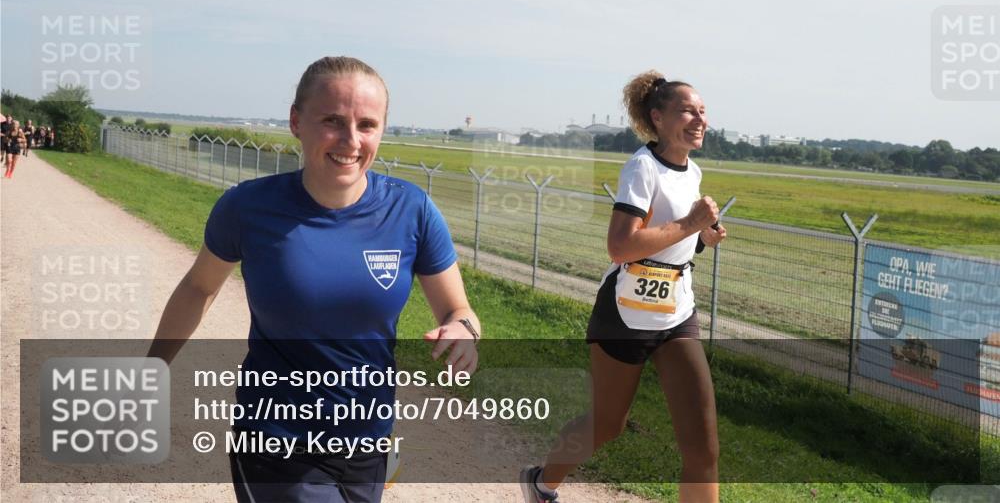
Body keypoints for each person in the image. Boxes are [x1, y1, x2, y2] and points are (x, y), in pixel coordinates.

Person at [149, 56, 480, 503]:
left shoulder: (412, 211)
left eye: (367, 125)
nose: (351, 140)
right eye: (332, 121)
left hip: (369, 441)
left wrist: (464, 333)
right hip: (276, 442)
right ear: (296, 122)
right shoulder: (248, 208)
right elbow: (198, 288)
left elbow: (458, 310)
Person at [520, 73, 725, 503]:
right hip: (625, 313)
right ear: (658, 117)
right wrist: (690, 222)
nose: (699, 119)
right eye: (687, 111)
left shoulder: (693, 171)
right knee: (608, 423)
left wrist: (700, 238)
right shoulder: (642, 167)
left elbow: (671, 239)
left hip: (676, 312)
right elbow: (620, 246)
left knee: (703, 448)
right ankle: (541, 483)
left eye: (702, 111)